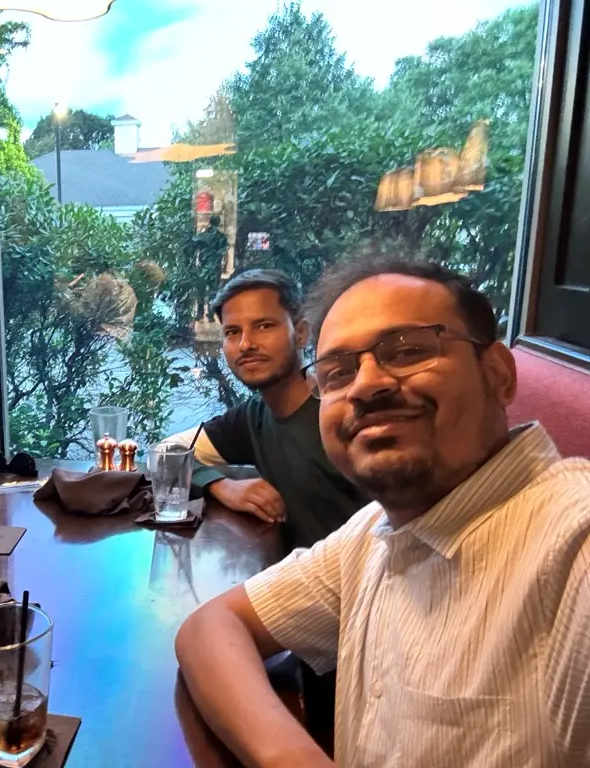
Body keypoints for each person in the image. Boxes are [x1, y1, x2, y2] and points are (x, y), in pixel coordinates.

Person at [175, 257, 590, 767]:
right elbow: (209, 627)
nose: (368, 385)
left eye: (409, 350)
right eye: (339, 372)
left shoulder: (574, 543)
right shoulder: (374, 532)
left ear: (499, 375)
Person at [179, 270, 368, 553]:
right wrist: (220, 485)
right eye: (232, 332)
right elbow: (168, 454)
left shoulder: (346, 414)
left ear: (301, 333)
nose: (246, 344)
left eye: (264, 326)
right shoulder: (253, 416)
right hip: (292, 573)